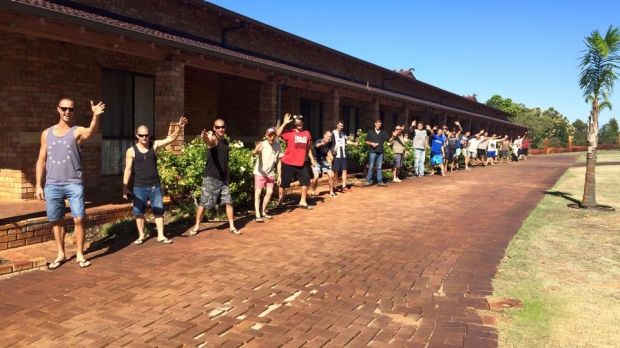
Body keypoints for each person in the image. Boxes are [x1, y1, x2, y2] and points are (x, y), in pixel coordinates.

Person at [35, 98, 106, 269]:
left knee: (79, 218)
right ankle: (61, 253)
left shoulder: (77, 131)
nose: (67, 112)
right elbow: (41, 160)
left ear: (74, 112)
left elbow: (90, 132)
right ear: (58, 109)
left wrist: (95, 116)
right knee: (56, 220)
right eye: (64, 109)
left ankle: (80, 254)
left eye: (71, 109)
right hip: (52, 184)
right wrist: (38, 184)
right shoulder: (47, 133)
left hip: (73, 183)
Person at [122, 116, 188, 245]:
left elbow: (170, 139)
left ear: (149, 134)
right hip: (139, 187)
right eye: (141, 135)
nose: (144, 138)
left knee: (158, 211)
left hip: (155, 186)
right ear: (137, 135)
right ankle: (141, 236)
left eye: (146, 135)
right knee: (138, 212)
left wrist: (179, 127)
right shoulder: (131, 151)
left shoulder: (155, 145)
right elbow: (128, 170)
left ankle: (161, 235)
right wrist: (124, 187)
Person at [192, 119, 240, 235]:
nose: (220, 129)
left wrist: (227, 178)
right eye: (218, 127)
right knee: (204, 204)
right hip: (211, 178)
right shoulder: (214, 140)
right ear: (214, 128)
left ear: (225, 127)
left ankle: (232, 226)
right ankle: (197, 226)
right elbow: (209, 141)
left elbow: (225, 163)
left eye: (222, 127)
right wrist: (204, 137)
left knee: (229, 202)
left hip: (223, 179)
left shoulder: (226, 143)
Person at [276, 113, 317, 209]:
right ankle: (280, 201)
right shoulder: (289, 132)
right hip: (288, 162)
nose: (298, 123)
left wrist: (311, 159)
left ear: (303, 122)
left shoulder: (307, 133)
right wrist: (284, 123)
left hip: (301, 163)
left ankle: (302, 202)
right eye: (296, 122)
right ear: (295, 123)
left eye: (300, 121)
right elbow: (277, 135)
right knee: (283, 183)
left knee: (306, 181)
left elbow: (308, 148)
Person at [252, 127, 281, 222]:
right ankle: (257, 214)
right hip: (260, 173)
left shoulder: (277, 146)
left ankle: (263, 211)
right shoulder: (262, 144)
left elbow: (278, 161)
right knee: (258, 193)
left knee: (269, 192)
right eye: (269, 135)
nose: (271, 137)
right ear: (266, 135)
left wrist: (279, 174)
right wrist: (256, 151)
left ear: (275, 135)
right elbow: (253, 153)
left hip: (270, 174)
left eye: (273, 135)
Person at [331, 120, 355, 192]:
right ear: (337, 125)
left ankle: (344, 186)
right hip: (336, 155)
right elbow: (330, 143)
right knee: (336, 171)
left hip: (343, 154)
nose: (341, 127)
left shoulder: (343, 133)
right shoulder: (333, 133)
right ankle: (335, 186)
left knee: (344, 170)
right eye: (339, 125)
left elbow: (347, 141)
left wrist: (355, 143)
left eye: (342, 126)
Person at [311, 130, 337, 196]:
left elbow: (328, 151)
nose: (329, 138)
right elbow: (316, 146)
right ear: (324, 135)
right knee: (316, 177)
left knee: (331, 175)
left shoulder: (330, 143)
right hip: (316, 161)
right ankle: (313, 191)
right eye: (328, 136)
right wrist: (322, 143)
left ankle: (331, 192)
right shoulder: (319, 141)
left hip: (325, 161)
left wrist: (331, 156)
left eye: (330, 136)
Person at [364, 119, 390, 186]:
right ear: (375, 124)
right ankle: (368, 181)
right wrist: (371, 143)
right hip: (372, 152)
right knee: (371, 167)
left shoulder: (383, 133)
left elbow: (389, 140)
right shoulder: (371, 132)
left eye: (380, 124)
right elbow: (366, 141)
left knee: (379, 167)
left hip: (380, 152)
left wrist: (394, 136)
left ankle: (379, 181)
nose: (378, 125)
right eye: (377, 124)